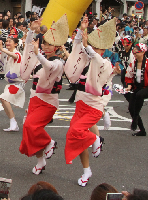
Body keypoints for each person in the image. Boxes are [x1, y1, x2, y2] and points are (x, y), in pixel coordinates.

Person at [64, 17, 118, 187]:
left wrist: (88, 46)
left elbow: (95, 56)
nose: (92, 49)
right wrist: (82, 29)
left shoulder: (105, 63)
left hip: (94, 107)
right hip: (81, 104)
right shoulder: (86, 60)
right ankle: (86, 170)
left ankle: (96, 138)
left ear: (103, 50)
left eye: (97, 47)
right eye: (92, 46)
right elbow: (77, 47)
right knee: (76, 139)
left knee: (76, 131)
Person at [19, 15, 68, 175]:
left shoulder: (58, 63)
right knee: (29, 130)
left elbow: (49, 66)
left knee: (31, 126)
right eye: (45, 44)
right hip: (35, 99)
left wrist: (38, 54)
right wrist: (32, 31)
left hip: (48, 102)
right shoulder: (41, 58)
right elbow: (28, 47)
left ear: (56, 47)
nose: (46, 47)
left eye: (49, 44)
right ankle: (41, 161)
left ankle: (49, 142)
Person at [0, 37, 26, 132]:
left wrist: (2, 49)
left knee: (4, 98)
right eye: (7, 41)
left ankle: (13, 122)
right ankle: (13, 122)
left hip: (18, 83)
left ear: (15, 44)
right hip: (11, 84)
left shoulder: (17, 54)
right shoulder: (7, 56)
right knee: (3, 99)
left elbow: (15, 56)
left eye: (10, 41)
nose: (7, 42)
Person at [125, 42, 148, 137]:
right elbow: (129, 76)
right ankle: (142, 130)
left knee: (140, 95)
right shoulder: (133, 63)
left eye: (136, 52)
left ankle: (135, 118)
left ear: (143, 52)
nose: (134, 54)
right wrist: (129, 86)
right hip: (138, 87)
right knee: (131, 108)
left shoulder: (147, 63)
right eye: (134, 53)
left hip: (146, 87)